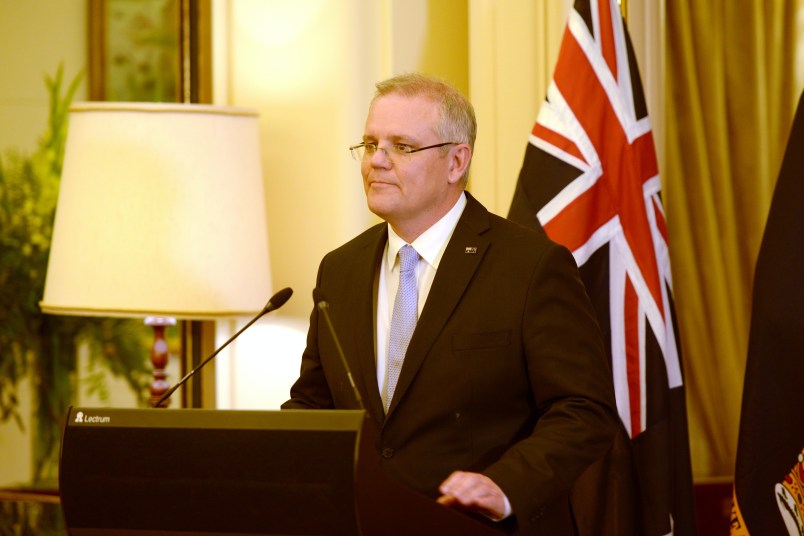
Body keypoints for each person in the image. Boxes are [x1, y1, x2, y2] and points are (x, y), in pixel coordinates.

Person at [282, 72, 619, 535]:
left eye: (401, 146)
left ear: (457, 161)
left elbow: (584, 410)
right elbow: (314, 404)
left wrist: (503, 487)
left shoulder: (530, 266)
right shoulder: (340, 269)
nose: (376, 161)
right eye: (369, 143)